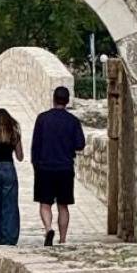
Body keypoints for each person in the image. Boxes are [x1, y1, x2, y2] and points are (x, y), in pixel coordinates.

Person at [31, 86, 86, 246]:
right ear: (67, 101)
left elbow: (36, 145)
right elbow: (80, 144)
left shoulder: (42, 119)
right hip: (65, 168)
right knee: (63, 205)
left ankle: (48, 229)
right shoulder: (73, 121)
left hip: (45, 168)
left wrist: (36, 165)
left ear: (54, 99)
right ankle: (62, 239)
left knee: (45, 203)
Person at [0, 108, 23, 245]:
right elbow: (20, 157)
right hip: (8, 167)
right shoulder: (14, 133)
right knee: (10, 204)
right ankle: (10, 237)